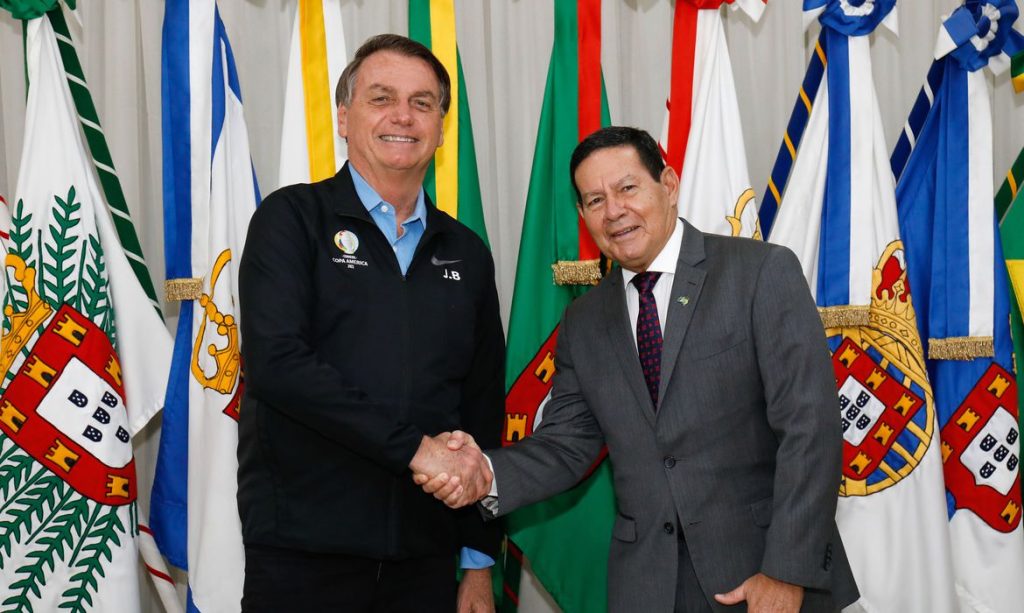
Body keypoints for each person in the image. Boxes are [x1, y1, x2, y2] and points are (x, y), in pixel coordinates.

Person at [417, 127, 860, 612]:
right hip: (646, 586)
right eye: (595, 200)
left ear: (668, 185)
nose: (614, 211)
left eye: (627, 188)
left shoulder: (759, 272)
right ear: (583, 215)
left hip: (762, 575)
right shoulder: (584, 319)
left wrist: (785, 572)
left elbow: (810, 429)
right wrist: (482, 472)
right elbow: (567, 444)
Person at [237, 34, 503, 613]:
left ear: (440, 127)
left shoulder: (466, 250)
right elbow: (278, 365)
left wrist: (479, 562)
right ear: (343, 117)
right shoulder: (291, 219)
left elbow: (481, 405)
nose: (402, 116)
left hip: (427, 560)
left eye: (422, 103)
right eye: (381, 98)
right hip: (303, 555)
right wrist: (416, 451)